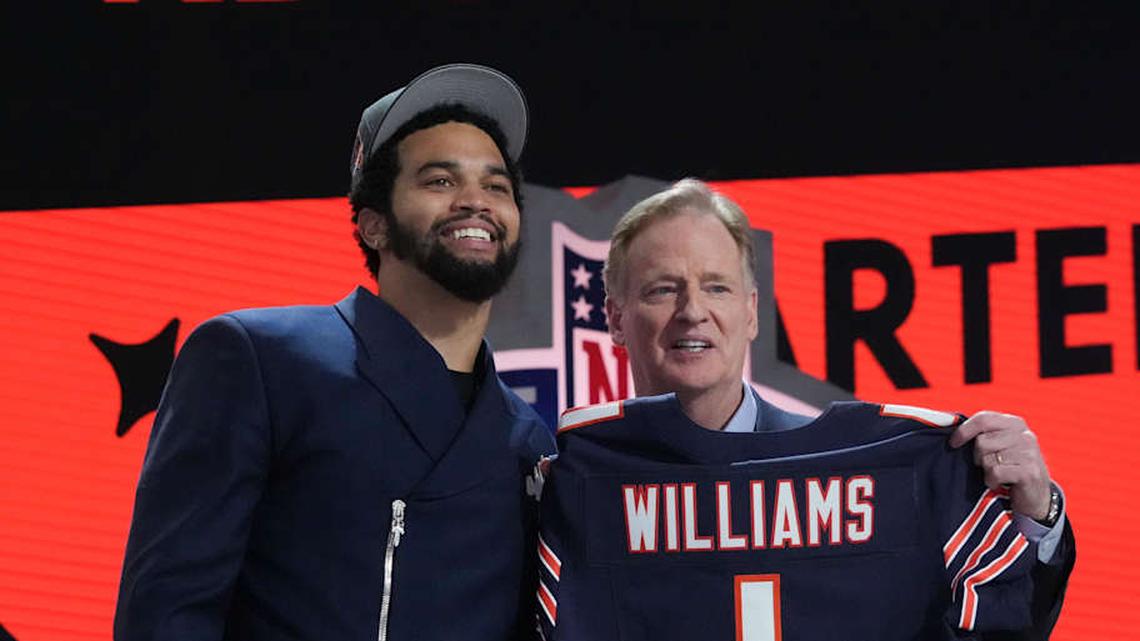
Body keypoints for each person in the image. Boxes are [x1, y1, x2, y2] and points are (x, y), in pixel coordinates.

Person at [114, 64, 555, 641]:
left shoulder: (530, 440)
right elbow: (166, 610)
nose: (475, 201)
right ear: (374, 226)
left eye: (496, 187)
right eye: (440, 181)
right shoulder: (260, 360)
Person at [536, 179, 1073, 639]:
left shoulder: (873, 467)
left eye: (717, 287)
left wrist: (1036, 516)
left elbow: (1009, 626)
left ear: (751, 313)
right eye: (662, 290)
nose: (693, 311)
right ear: (614, 317)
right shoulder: (572, 489)